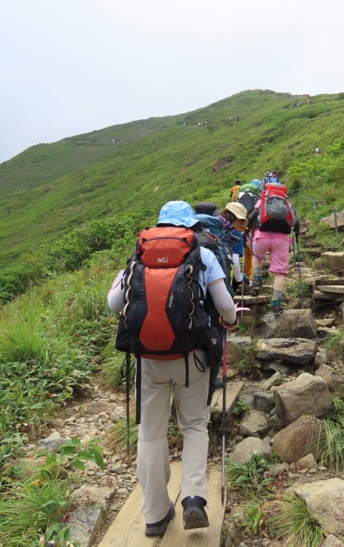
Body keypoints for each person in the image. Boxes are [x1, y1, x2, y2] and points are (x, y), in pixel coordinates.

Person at [107, 200, 238, 537]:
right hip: (191, 357)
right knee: (194, 425)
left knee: (150, 433)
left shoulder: (139, 254)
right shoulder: (202, 253)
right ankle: (193, 497)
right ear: (189, 225)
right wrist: (232, 319)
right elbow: (225, 306)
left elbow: (113, 304)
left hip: (149, 358)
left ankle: (154, 513)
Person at [248, 186, 300, 314]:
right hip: (281, 239)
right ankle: (276, 303)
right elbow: (295, 221)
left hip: (261, 237)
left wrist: (248, 230)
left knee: (257, 256)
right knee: (280, 272)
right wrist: (297, 233)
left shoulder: (263, 200)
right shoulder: (286, 203)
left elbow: (250, 217)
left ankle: (257, 279)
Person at [220, 202, 248, 292]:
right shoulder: (236, 234)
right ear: (238, 219)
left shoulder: (215, 229)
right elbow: (235, 261)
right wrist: (239, 279)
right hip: (225, 275)